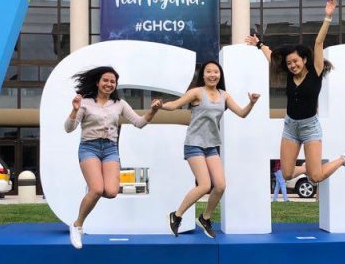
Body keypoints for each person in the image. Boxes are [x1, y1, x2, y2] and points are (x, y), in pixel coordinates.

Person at [244, 0, 345, 189]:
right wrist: (259, 44)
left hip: (310, 127)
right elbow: (271, 56)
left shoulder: (316, 72)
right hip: (290, 126)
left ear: (304, 60)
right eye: (289, 63)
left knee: (316, 177)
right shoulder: (289, 75)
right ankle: (307, 167)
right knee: (287, 174)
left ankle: (342, 159)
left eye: (295, 61)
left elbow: (319, 43)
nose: (292, 65)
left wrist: (328, 17)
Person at [161, 60, 260, 238]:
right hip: (194, 143)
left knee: (220, 186)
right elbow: (175, 105)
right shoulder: (197, 92)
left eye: (216, 72)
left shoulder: (224, 95)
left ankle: (205, 218)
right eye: (209, 72)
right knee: (205, 185)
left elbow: (242, 114)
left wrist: (251, 103)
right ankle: (176, 216)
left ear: (220, 75)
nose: (212, 75)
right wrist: (160, 105)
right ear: (203, 75)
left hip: (211, 145)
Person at [64, 66, 161, 249]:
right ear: (98, 82)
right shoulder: (85, 102)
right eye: (105, 80)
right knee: (97, 189)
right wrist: (74, 110)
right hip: (89, 148)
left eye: (112, 81)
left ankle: (94, 186)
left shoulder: (120, 104)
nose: (109, 84)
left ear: (115, 85)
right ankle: (77, 225)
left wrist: (153, 111)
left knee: (111, 191)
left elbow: (139, 123)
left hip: (110, 150)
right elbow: (69, 128)